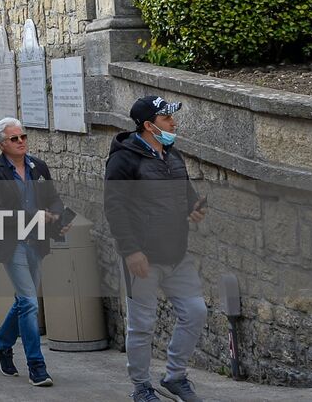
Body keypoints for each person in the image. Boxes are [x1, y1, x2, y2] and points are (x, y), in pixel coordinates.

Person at [105, 96, 209, 402]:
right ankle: (141, 386)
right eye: (166, 118)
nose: (173, 123)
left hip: (177, 254)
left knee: (195, 312)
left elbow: (186, 194)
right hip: (142, 258)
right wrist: (131, 250)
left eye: (171, 117)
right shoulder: (123, 160)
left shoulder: (173, 156)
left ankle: (174, 377)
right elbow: (115, 208)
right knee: (142, 326)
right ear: (149, 125)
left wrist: (195, 207)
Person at [0, 117, 64, 388]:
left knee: (23, 301)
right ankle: (37, 366)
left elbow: (53, 198)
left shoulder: (38, 167)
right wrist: (34, 215)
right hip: (12, 243)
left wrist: (58, 216)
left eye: (23, 137)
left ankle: (2, 345)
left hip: (36, 242)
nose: (21, 142)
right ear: (2, 144)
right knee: (29, 302)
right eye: (15, 139)